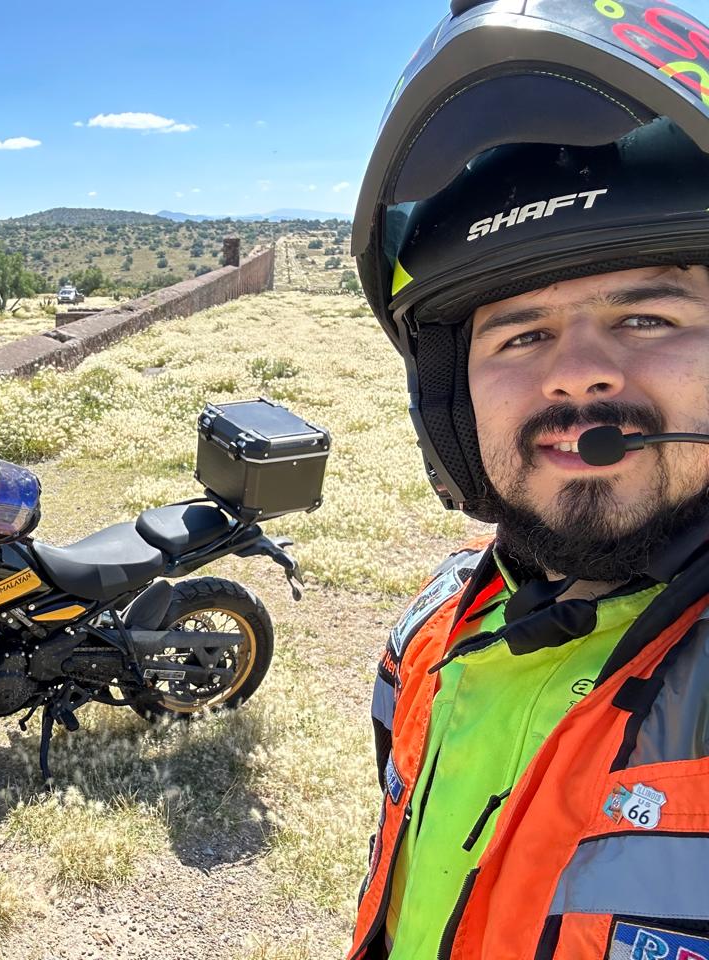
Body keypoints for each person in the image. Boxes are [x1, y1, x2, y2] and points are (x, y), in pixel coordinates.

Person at [347, 2, 709, 958]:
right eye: (521, 334)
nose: (575, 374)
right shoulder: (433, 634)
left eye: (647, 317)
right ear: (449, 400)